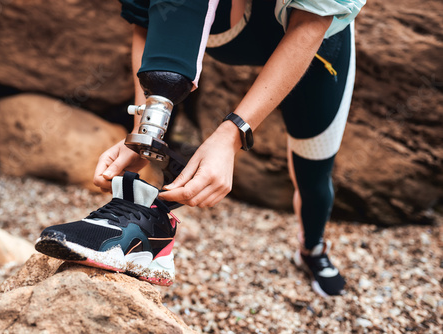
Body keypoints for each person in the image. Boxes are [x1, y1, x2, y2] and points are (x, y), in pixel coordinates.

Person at [35, 0, 366, 296]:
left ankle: (312, 248)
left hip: (314, 44)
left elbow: (310, 24)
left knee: (312, 178)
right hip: (203, 15)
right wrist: (144, 130)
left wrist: (231, 136)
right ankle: (147, 228)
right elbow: (147, 20)